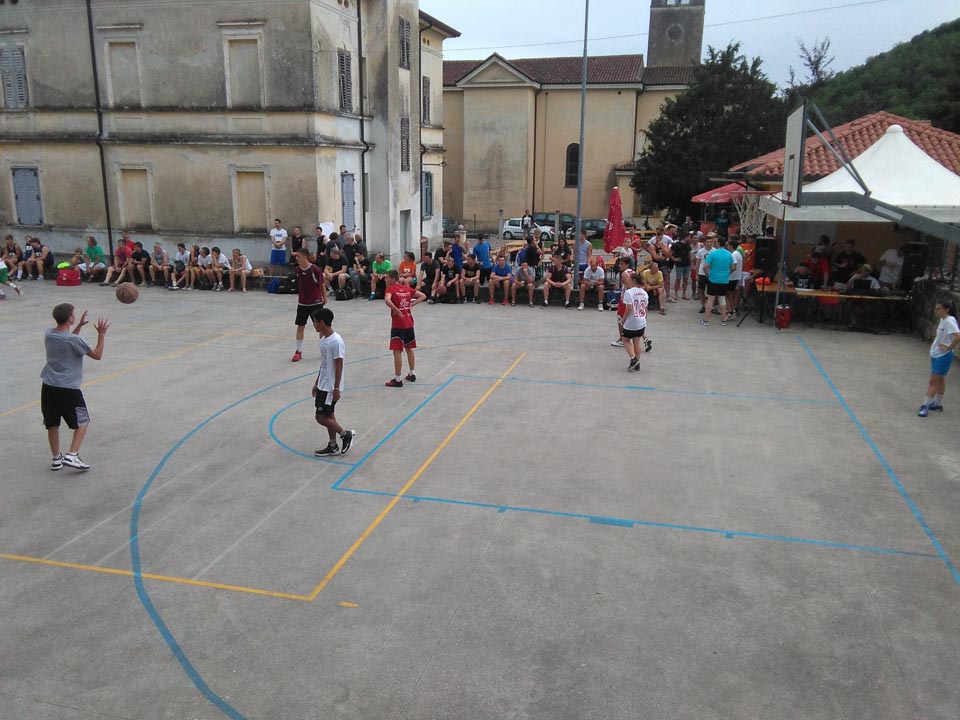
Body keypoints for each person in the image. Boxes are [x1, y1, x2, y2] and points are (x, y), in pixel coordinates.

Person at [41, 303, 109, 471]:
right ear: (70, 318)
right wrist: (101, 335)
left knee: (52, 423)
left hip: (48, 385)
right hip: (68, 388)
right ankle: (72, 455)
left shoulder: (49, 334)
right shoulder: (74, 340)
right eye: (73, 314)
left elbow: (68, 340)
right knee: (82, 421)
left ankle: (56, 458)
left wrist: (78, 326)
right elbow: (97, 355)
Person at [310, 307, 355, 456]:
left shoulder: (336, 341)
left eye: (315, 322)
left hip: (330, 387)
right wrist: (317, 382)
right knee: (329, 414)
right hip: (323, 384)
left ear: (322, 322)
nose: (314, 325)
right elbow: (324, 363)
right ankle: (333, 444)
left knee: (320, 417)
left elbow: (339, 365)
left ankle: (345, 434)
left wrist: (336, 388)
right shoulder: (323, 341)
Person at [384, 270, 426, 387]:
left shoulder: (390, 289)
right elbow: (423, 296)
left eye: (387, 278)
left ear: (393, 278)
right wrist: (412, 304)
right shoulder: (406, 289)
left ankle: (398, 379)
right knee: (409, 348)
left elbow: (387, 300)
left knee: (397, 350)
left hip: (398, 324)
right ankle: (412, 373)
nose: (385, 280)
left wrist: (396, 310)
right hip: (409, 322)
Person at [918, 301, 959, 417]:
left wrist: (949, 347)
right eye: (936, 308)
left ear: (947, 310)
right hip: (936, 354)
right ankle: (938, 404)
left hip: (943, 356)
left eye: (939, 309)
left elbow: (958, 336)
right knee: (940, 379)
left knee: (933, 381)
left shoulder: (949, 321)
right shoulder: (943, 320)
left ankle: (925, 405)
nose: (936, 311)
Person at [292, 247, 326, 362]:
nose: (297, 258)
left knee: (321, 327)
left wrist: (324, 298)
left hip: (316, 302)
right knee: (300, 326)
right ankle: (298, 351)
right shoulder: (298, 270)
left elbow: (322, 284)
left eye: (298, 256)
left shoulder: (315, 269)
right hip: (302, 303)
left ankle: (324, 350)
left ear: (305, 257)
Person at [618, 271, 649, 371]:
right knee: (637, 341)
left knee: (625, 340)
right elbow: (645, 308)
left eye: (629, 280)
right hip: (641, 321)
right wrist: (645, 320)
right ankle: (638, 362)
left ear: (634, 281)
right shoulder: (644, 293)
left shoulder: (629, 292)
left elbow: (629, 308)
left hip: (632, 322)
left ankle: (633, 358)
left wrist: (623, 319)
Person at [701, 236, 733, 327]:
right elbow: (733, 266)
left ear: (718, 243)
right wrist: (727, 273)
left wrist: (707, 274)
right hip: (724, 280)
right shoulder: (729, 254)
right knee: (722, 299)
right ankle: (723, 320)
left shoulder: (713, 253)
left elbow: (705, 266)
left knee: (710, 299)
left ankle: (706, 320)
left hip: (713, 279)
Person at [671, 231, 692, 300]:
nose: (690, 238)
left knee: (685, 279)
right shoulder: (677, 245)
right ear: (685, 237)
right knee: (678, 279)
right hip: (679, 264)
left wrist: (691, 263)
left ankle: (684, 293)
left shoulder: (688, 245)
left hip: (687, 264)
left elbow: (689, 254)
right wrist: (674, 259)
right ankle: (676, 294)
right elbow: (670, 252)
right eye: (689, 237)